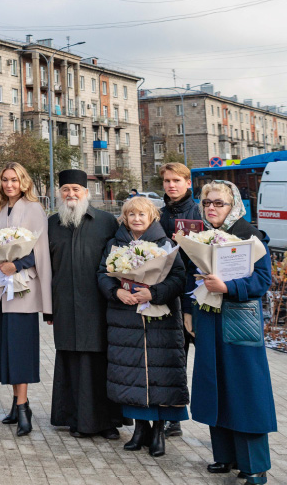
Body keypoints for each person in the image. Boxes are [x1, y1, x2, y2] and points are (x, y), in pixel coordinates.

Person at [191, 181, 275, 485]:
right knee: (216, 387)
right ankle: (225, 456)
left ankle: (254, 465)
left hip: (239, 320)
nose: (211, 208)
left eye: (218, 203)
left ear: (233, 205)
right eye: (207, 203)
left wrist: (228, 287)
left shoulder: (249, 235)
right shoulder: (201, 235)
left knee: (245, 391)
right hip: (209, 319)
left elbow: (263, 280)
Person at [97, 197, 188, 458]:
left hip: (160, 319)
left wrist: (155, 293)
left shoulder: (166, 244)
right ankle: (140, 429)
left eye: (142, 214)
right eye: (131, 214)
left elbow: (178, 278)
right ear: (124, 217)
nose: (136, 219)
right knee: (131, 372)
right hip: (125, 318)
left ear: (153, 217)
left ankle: (158, 430)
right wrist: (116, 293)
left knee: (159, 372)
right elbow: (102, 274)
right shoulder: (115, 244)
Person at [48, 169, 122, 439]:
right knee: (71, 362)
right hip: (64, 303)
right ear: (60, 193)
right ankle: (75, 419)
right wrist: (48, 307)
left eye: (76, 190)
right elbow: (45, 268)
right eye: (66, 189)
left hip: (98, 305)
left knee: (100, 362)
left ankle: (108, 422)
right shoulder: (52, 223)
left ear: (86, 193)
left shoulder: (106, 222)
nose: (71, 194)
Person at [0, 162, 51, 437]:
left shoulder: (34, 209)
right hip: (0, 289)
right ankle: (16, 403)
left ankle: (23, 410)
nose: (10, 184)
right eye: (5, 180)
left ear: (24, 182)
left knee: (20, 350)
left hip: (22, 289)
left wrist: (17, 266)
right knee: (6, 350)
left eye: (14, 180)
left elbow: (40, 249)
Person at [158, 161, 203, 439]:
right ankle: (169, 414)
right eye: (166, 181)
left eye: (176, 180)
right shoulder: (160, 213)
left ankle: (180, 413)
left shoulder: (199, 212)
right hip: (164, 295)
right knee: (170, 357)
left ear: (188, 183)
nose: (171, 185)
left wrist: (189, 305)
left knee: (186, 357)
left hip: (192, 297)